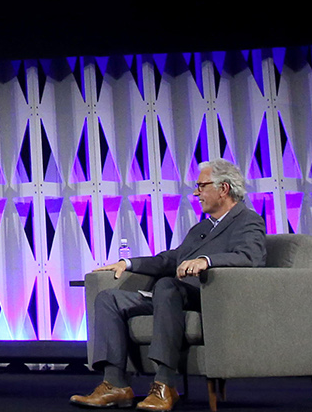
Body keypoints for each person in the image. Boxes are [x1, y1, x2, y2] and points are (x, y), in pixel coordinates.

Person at [71, 160, 267, 412]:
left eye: (201, 186)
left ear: (224, 189)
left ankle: (164, 384)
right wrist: (128, 263)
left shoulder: (247, 220)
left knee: (166, 286)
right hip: (172, 295)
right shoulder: (202, 227)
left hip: (211, 296)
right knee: (109, 298)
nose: (196, 193)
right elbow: (172, 259)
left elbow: (250, 257)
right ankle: (115, 385)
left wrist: (206, 261)